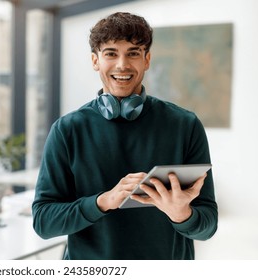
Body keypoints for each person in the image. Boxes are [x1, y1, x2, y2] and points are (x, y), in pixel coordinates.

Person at [32, 12, 218, 260]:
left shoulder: (185, 125)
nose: (122, 64)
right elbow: (44, 222)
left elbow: (208, 226)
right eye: (111, 53)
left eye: (133, 53)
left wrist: (181, 214)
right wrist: (103, 201)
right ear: (95, 60)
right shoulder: (67, 130)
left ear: (147, 59)